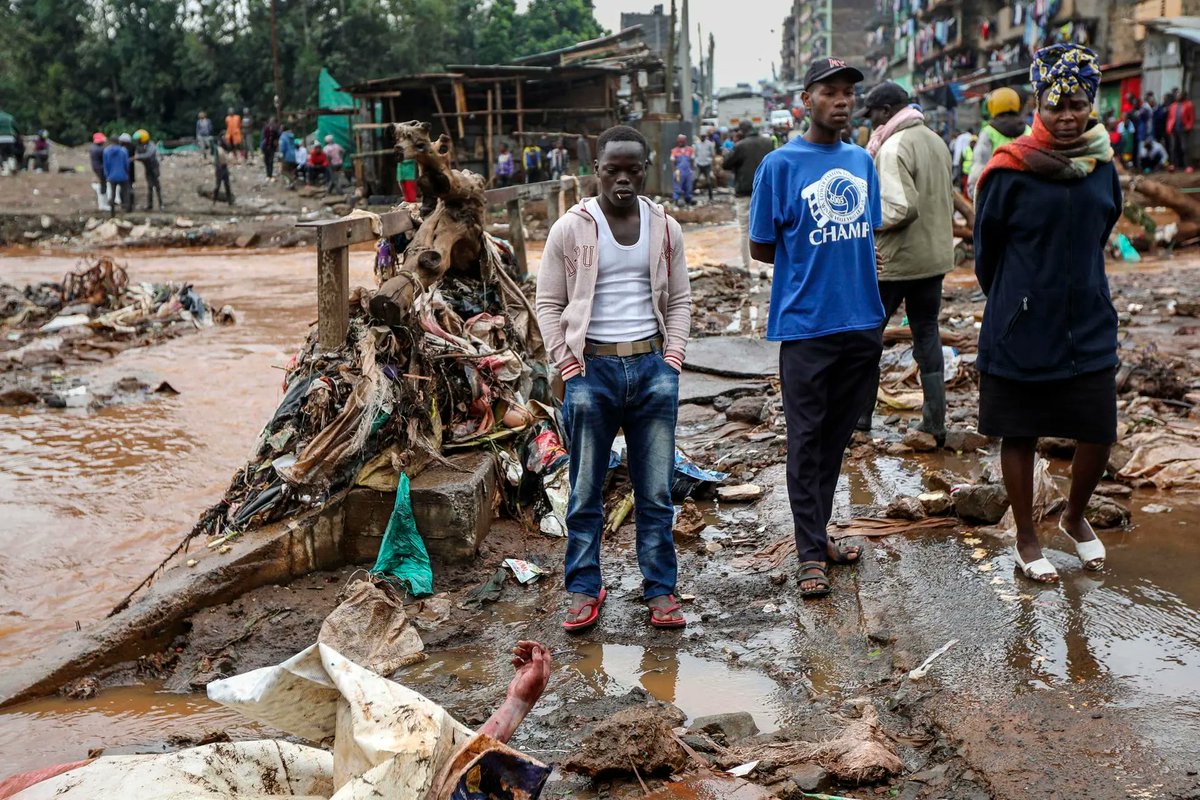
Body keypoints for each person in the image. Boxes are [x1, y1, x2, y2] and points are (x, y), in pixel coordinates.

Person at [535, 125, 692, 633]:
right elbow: (549, 303)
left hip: (653, 371)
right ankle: (584, 589)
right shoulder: (570, 228)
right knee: (584, 492)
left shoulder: (665, 228)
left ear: (647, 171)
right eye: (612, 170)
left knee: (656, 492)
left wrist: (673, 359)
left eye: (633, 170)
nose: (622, 180)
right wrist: (566, 363)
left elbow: (683, 300)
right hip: (590, 373)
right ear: (596, 171)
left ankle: (660, 590)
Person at [973, 43, 1120, 583]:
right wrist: (1020, 300)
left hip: (1089, 321)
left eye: (1076, 103)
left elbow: (1103, 229)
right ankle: (1026, 535)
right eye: (1055, 105)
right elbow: (986, 254)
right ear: (1038, 103)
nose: (1066, 115)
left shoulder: (1102, 167)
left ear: (1091, 104)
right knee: (1020, 432)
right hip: (1022, 325)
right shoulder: (1008, 171)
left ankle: (1074, 516)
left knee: (1098, 428)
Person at [748, 57, 881, 598]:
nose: (843, 100)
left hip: (863, 323)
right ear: (806, 101)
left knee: (834, 439)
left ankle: (817, 535)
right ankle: (808, 553)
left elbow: (866, 233)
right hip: (805, 327)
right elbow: (761, 246)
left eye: (849, 91)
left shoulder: (861, 161)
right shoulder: (779, 166)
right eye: (830, 91)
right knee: (805, 439)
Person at [857, 82, 955, 445]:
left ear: (885, 110)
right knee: (927, 333)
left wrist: (863, 222)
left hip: (897, 261)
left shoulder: (894, 145)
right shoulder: (934, 139)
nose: (870, 124)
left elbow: (900, 206)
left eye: (872, 116)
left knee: (869, 335)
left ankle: (860, 419)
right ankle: (935, 422)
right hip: (935, 257)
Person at [723, 120, 775, 273]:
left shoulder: (740, 146)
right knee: (766, 229)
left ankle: (746, 267)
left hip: (744, 193)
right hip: (766, 192)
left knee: (745, 230)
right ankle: (765, 268)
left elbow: (725, 164)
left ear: (741, 131)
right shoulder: (768, 143)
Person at [967, 88, 1032, 199]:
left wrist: (973, 191)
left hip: (997, 192)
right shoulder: (1028, 130)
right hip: (1026, 190)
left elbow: (980, 165)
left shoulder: (988, 132)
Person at [133, 129, 164, 211]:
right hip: (147, 168)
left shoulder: (151, 145)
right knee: (149, 187)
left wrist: (136, 157)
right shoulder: (140, 146)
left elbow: (148, 155)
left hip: (154, 167)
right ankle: (150, 205)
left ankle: (161, 204)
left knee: (157, 186)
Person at [103, 133, 133, 215]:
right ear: (118, 141)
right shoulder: (123, 151)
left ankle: (112, 211)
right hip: (123, 175)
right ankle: (127, 209)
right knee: (126, 192)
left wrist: (107, 175)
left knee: (112, 193)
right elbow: (126, 164)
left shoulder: (106, 151)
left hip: (111, 176)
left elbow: (106, 165)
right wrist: (127, 172)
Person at [1168, 89, 1194, 171]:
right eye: (1177, 95)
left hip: (1183, 129)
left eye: (1180, 95)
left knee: (1184, 148)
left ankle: (1188, 166)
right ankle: (1173, 165)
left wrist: (1189, 126)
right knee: (1173, 148)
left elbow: (1191, 118)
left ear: (1183, 96)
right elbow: (1170, 118)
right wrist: (1169, 127)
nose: (1178, 96)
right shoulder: (1173, 105)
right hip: (1174, 129)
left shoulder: (1189, 105)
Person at [670, 133, 695, 204]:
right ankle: (676, 200)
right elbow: (672, 161)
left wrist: (692, 170)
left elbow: (692, 160)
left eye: (682, 141)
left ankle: (688, 199)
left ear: (685, 141)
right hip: (679, 171)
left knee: (688, 186)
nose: (680, 143)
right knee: (677, 186)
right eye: (679, 142)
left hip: (688, 171)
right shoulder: (674, 150)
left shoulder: (690, 149)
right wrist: (674, 171)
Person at [213, 136, 234, 204]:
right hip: (220, 169)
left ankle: (230, 202)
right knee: (218, 186)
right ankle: (214, 201)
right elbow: (216, 160)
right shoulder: (218, 149)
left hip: (224, 168)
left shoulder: (225, 148)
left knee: (227, 186)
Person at [695, 132, 716, 200]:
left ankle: (711, 196)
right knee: (695, 179)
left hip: (707, 164)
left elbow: (713, 154)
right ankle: (691, 195)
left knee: (708, 181)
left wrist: (713, 164)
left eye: (703, 136)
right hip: (699, 164)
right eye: (701, 136)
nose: (702, 138)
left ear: (705, 137)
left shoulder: (709, 144)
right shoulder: (697, 144)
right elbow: (695, 154)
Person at [89, 132, 107, 196]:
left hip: (95, 167)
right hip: (100, 167)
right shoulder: (100, 149)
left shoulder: (92, 147)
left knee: (102, 181)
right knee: (103, 182)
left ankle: (103, 193)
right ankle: (103, 195)